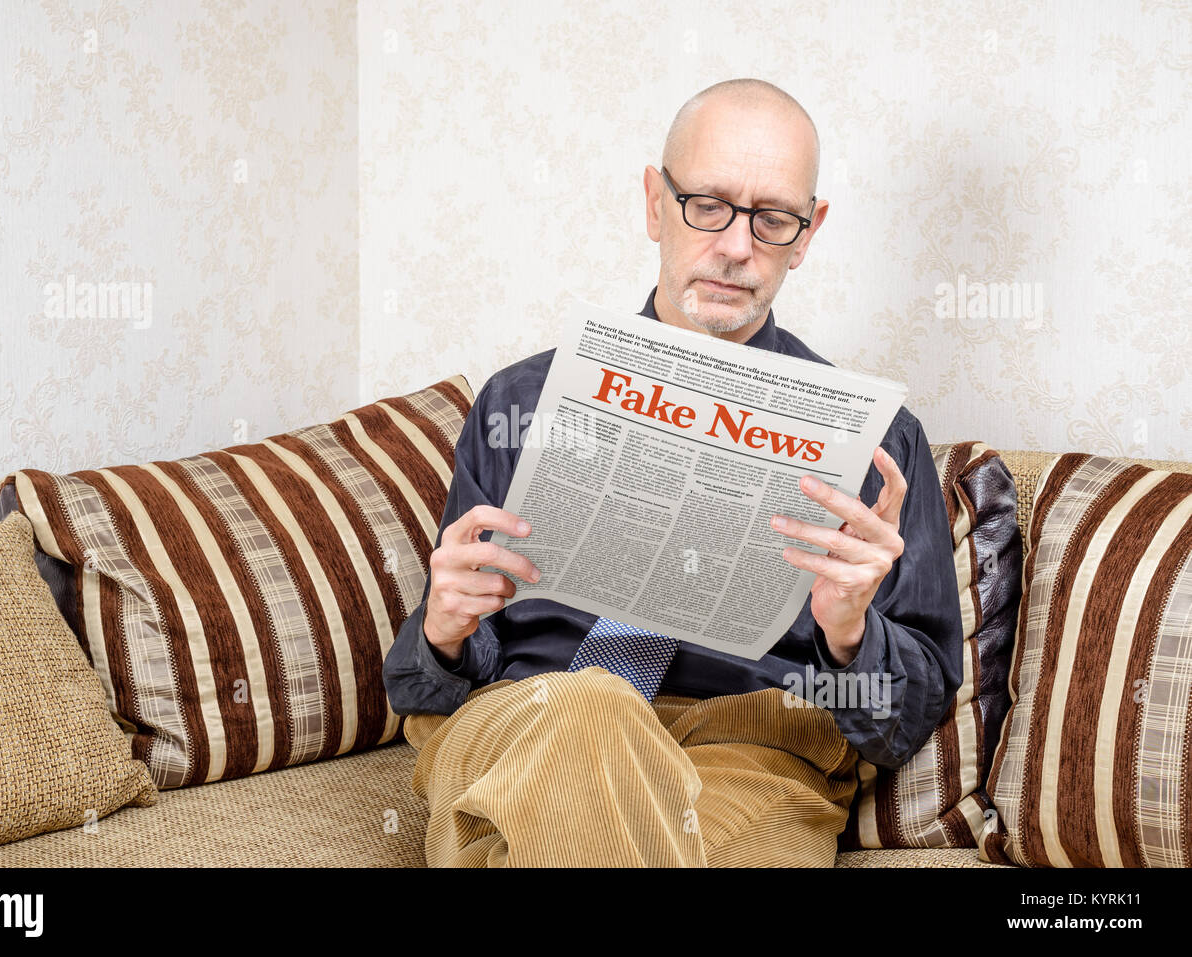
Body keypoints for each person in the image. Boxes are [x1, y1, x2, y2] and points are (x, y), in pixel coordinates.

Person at [382, 78, 964, 867]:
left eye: (772, 218)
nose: (735, 245)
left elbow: (906, 721)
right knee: (594, 711)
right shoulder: (520, 403)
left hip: (751, 752)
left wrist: (851, 632)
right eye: (707, 204)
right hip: (534, 718)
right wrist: (444, 633)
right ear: (655, 203)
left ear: (808, 233)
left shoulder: (878, 445)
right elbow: (424, 692)